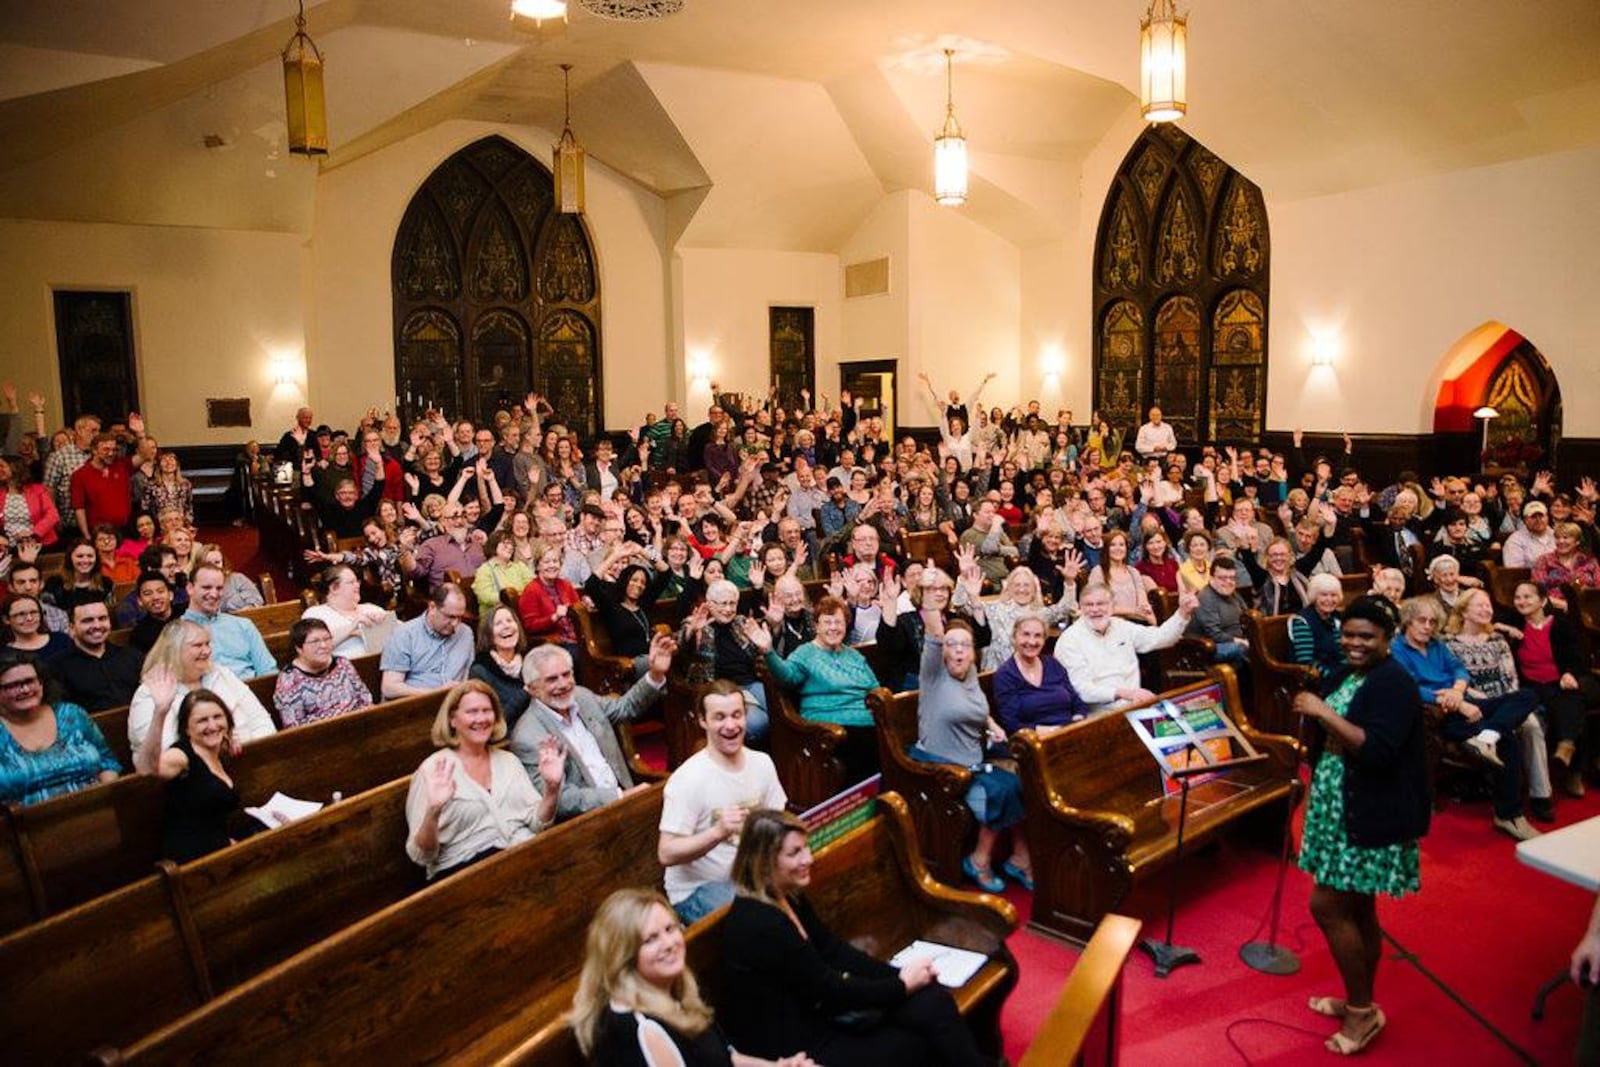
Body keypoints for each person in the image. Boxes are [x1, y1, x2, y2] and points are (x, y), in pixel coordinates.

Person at [718, 808, 984, 1067]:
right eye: (794, 853)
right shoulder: (762, 923)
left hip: (821, 1012)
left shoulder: (787, 895)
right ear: (764, 862)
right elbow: (828, 988)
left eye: (805, 847)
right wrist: (901, 986)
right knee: (910, 1045)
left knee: (932, 1001)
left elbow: (834, 951)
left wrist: (898, 975)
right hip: (797, 1044)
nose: (808, 859)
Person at [1291, 596, 1429, 1057]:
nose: (1354, 643)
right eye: (1348, 634)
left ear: (1388, 640)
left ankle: (1362, 1011)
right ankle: (1359, 1000)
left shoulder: (1394, 682)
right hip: (1341, 805)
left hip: (1371, 811)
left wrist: (1323, 711)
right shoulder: (1352, 672)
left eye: (1366, 637)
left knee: (1327, 906)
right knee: (1359, 909)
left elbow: (1377, 750)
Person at [570, 886, 818, 1067]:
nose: (669, 943)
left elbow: (723, 1058)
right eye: (650, 939)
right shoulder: (644, 1030)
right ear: (623, 954)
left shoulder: (674, 986)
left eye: (670, 929)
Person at [1389, 596, 1539, 840]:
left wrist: (1458, 691)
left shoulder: (1436, 645)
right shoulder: (1397, 648)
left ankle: (1487, 735)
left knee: (1528, 696)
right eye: (1421, 621)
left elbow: (1459, 669)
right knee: (1509, 740)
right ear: (1408, 621)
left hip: (1462, 701)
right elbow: (1405, 686)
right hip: (1439, 712)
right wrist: (1453, 702)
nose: (1427, 626)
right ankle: (1508, 814)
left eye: (1432, 621)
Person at [913, 611, 1031, 892]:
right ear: (942, 652)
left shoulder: (971, 674)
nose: (958, 650)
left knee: (1027, 779)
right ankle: (979, 860)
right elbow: (932, 632)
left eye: (964, 645)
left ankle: (1019, 856)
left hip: (974, 759)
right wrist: (929, 592)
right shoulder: (933, 676)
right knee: (1000, 791)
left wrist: (991, 724)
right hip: (942, 766)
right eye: (951, 645)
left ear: (973, 653)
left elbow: (977, 707)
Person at [404, 680, 563, 881]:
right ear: (453, 720)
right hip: (466, 871)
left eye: (487, 711)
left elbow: (537, 824)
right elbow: (421, 855)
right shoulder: (434, 769)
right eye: (472, 712)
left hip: (523, 854)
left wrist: (552, 788)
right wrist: (434, 811)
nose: (481, 718)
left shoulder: (508, 761)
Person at [658, 681, 787, 925]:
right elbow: (666, 853)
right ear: (703, 721)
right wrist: (717, 833)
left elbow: (777, 820)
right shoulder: (688, 779)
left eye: (736, 715)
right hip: (698, 889)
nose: (730, 725)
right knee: (760, 923)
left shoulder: (762, 763)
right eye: (719, 717)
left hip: (749, 874)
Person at [510, 635, 673, 820]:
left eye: (566, 674)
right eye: (552, 679)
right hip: (588, 824)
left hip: (627, 798)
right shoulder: (527, 737)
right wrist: (618, 797)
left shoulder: (582, 696)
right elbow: (560, 799)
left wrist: (655, 674)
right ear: (532, 689)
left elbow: (624, 708)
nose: (563, 684)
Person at [1442, 588, 1557, 821]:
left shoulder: (1498, 640)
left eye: (1489, 605)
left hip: (1506, 701)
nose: (1487, 610)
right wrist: (1486, 700)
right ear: (1464, 610)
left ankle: (1541, 796)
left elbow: (1510, 678)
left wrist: (1510, 705)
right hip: (1476, 703)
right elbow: (1457, 681)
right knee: (1511, 730)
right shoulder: (1448, 643)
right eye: (1480, 605)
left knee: (1532, 724)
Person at [750, 595, 880, 783]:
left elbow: (875, 688)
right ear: (817, 626)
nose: (833, 627)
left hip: (867, 722)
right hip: (829, 725)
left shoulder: (854, 655)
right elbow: (787, 676)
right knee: (863, 745)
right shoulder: (806, 653)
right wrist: (769, 651)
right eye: (827, 622)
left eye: (838, 622)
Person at [129, 620, 276, 773]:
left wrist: (255, 752)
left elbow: (261, 720)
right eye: (198, 645)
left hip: (249, 760)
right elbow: (164, 755)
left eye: (207, 644)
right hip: (193, 778)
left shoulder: (220, 673)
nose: (207, 651)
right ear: (175, 650)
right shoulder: (150, 692)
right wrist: (221, 749)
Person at [150, 686, 264, 863]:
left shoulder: (216, 750)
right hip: (192, 861)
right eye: (202, 720)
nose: (212, 725)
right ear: (186, 729)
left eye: (218, 717)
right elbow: (153, 766)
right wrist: (159, 714)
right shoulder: (182, 756)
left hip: (219, 847)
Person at [1508, 580, 1598, 799]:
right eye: (1518, 597)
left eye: (1527, 596)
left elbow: (1577, 657)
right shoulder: (1514, 626)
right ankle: (1570, 758)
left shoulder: (1560, 624)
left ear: (1543, 600)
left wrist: (1569, 672)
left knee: (1571, 695)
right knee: (1564, 699)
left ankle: (1570, 757)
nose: (1522, 601)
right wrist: (1503, 628)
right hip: (1533, 685)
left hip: (1561, 680)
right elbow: (1486, 626)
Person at [1055, 581, 1197, 713]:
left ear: (1112, 606)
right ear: (1080, 607)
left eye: (1101, 604)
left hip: (1135, 707)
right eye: (1088, 605)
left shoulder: (1121, 626)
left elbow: (1160, 638)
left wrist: (1183, 613)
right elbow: (1082, 690)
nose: (1095, 609)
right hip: (1097, 716)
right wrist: (1127, 694)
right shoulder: (1070, 640)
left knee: (1192, 713)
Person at [0, 649, 119, 804]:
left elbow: (108, 762)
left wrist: (104, 796)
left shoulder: (72, 714)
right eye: (12, 686)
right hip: (25, 823)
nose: (25, 690)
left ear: (41, 683)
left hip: (94, 813)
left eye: (29, 681)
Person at [993, 613, 1090, 736]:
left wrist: (1078, 719)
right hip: (1035, 740)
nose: (1032, 642)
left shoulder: (1052, 664)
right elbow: (1011, 723)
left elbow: (1077, 702)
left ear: (1044, 640)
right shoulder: (1005, 675)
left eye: (1038, 636)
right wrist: (1050, 731)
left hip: (1068, 732)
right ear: (1014, 637)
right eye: (1026, 634)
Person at [272, 617, 374, 729]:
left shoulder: (342, 663)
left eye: (327, 639)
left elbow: (365, 697)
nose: (324, 646)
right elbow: (293, 726)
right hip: (320, 737)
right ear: (299, 648)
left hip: (358, 725)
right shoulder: (289, 680)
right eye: (315, 641)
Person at [379, 583, 475, 700]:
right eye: (450, 617)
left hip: (454, 705)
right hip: (414, 706)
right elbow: (390, 688)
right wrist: (435, 693)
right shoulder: (405, 634)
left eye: (460, 617)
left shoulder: (465, 633)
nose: (455, 624)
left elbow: (466, 675)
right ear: (432, 607)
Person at [182, 564, 276, 680]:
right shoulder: (178, 631)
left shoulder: (243, 625)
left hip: (251, 692)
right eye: (206, 587)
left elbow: (267, 670)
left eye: (219, 588)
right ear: (190, 588)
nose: (214, 594)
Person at [54, 595, 144, 711]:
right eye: (88, 621)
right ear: (72, 629)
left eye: (102, 619)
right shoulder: (58, 667)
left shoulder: (132, 656)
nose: (97, 626)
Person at [303, 564, 391, 658]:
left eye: (357, 581)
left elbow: (401, 637)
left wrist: (388, 623)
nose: (357, 585)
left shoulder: (371, 608)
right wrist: (352, 627)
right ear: (334, 588)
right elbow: (314, 647)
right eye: (351, 582)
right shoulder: (316, 614)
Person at [469, 605, 533, 727]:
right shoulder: (480, 671)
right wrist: (525, 693)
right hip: (510, 736)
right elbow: (492, 722)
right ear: (488, 634)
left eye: (509, 620)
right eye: (498, 623)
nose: (506, 626)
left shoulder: (530, 660)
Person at [518, 540, 581, 658]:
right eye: (546, 562)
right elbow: (530, 626)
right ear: (538, 566)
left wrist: (583, 607)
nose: (552, 565)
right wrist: (554, 617)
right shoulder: (531, 590)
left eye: (555, 561)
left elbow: (578, 610)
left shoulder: (565, 585)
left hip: (576, 638)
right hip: (553, 644)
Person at [1186, 556, 1250, 666]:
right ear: (1211, 578)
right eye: (1222, 578)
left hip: (1234, 639)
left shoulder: (1233, 594)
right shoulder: (1205, 598)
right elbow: (1214, 634)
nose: (1228, 582)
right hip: (1209, 646)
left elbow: (1247, 616)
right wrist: (1240, 641)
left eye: (1232, 578)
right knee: (1243, 649)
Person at [1289, 572, 1346, 676]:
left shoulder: (1338, 618)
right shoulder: (1302, 621)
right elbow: (1306, 662)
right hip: (1318, 678)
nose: (1329, 600)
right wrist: (1336, 675)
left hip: (1341, 672)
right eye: (1324, 595)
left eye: (1334, 595)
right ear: (1314, 596)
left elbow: (1344, 654)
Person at [0, 455, 60, 547]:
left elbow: (52, 515)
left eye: (2, 466)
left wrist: (33, 532)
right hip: (9, 548)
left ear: (15, 467)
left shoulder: (37, 490)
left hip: (39, 545)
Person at [5, 593, 71, 661]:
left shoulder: (61, 640)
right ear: (6, 619)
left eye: (34, 612)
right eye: (21, 614)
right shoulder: (4, 653)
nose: (29, 618)